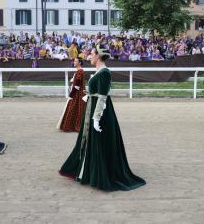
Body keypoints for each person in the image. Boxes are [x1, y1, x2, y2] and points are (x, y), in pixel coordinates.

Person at [59, 45, 146, 191]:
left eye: (91, 54)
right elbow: (96, 92)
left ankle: (97, 174)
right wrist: (89, 94)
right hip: (92, 108)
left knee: (97, 142)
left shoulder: (104, 72)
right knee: (88, 141)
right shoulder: (99, 71)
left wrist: (96, 118)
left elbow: (103, 97)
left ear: (98, 56)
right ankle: (85, 172)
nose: (89, 57)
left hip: (100, 112)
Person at [57, 57, 86, 132]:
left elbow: (77, 86)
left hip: (77, 94)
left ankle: (72, 126)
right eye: (74, 61)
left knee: (74, 108)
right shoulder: (78, 71)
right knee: (76, 109)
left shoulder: (80, 71)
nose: (74, 62)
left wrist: (71, 94)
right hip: (77, 93)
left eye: (75, 61)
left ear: (79, 63)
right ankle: (73, 125)